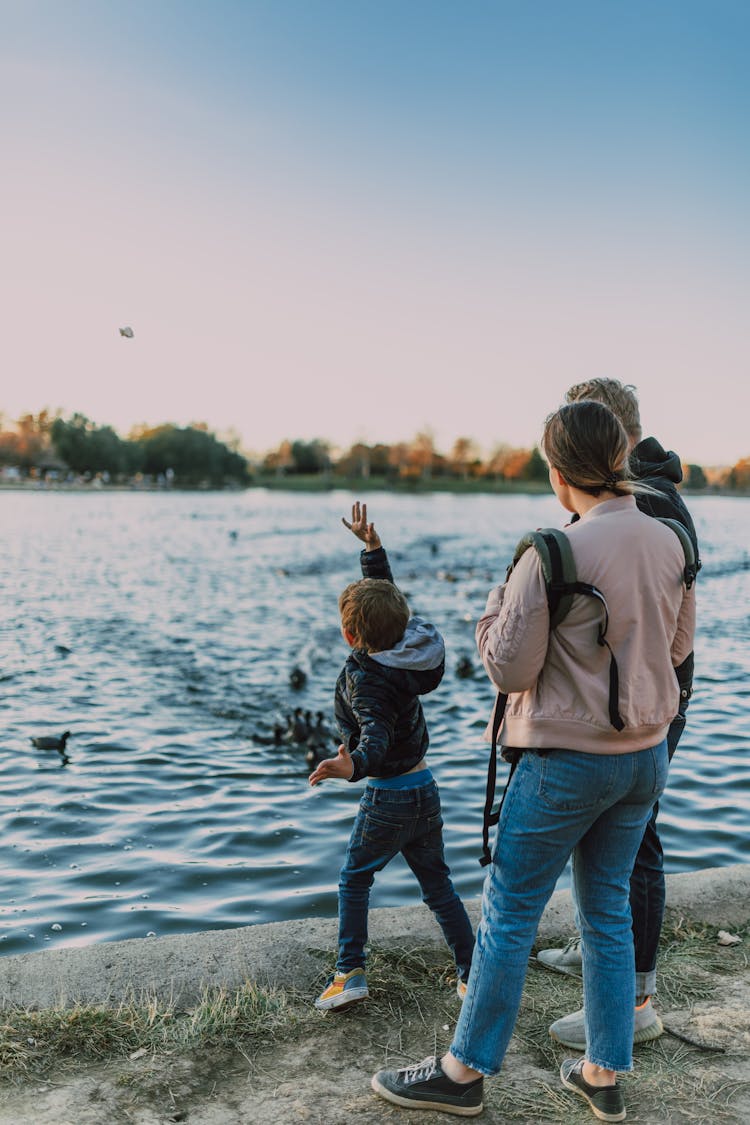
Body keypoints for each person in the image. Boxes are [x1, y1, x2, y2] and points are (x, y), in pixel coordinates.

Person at [371, 401, 695, 1120]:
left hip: (565, 763)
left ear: (558, 472)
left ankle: (461, 1071)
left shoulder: (550, 551)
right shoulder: (672, 537)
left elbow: (508, 668)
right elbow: (675, 650)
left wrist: (493, 606)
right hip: (644, 759)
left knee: (511, 913)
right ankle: (603, 1072)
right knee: (606, 908)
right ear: (620, 456)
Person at [538, 378, 700, 1053]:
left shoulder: (652, 506)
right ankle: (596, 952)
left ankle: (635, 1000)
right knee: (612, 838)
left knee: (638, 841)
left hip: (644, 704)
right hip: (639, 697)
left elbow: (664, 626)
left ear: (618, 436)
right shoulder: (648, 496)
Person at [310, 502, 474, 1011]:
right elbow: (387, 605)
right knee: (438, 886)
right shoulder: (407, 650)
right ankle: (473, 971)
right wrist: (372, 551)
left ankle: (349, 972)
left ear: (349, 637)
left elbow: (375, 737)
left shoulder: (366, 677)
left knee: (354, 879)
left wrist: (352, 765)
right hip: (425, 790)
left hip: (389, 798)